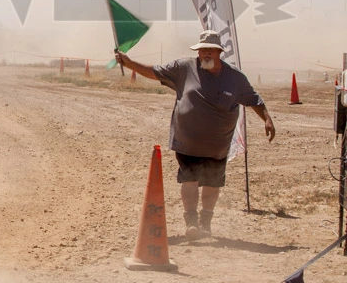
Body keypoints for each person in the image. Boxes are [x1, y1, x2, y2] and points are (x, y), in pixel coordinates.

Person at [115, 30, 275, 240]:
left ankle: (205, 223)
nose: (206, 54)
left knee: (212, 183)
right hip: (188, 142)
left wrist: (267, 119)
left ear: (219, 52)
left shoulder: (235, 78)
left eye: (211, 50)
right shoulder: (183, 68)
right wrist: (129, 63)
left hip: (218, 145)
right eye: (202, 50)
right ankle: (191, 222)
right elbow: (154, 72)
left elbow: (254, 100)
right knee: (189, 180)